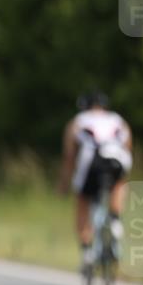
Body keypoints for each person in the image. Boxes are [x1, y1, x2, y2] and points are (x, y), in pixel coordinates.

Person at [58, 91, 133, 274]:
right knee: (119, 183)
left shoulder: (78, 121)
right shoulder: (118, 120)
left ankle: (86, 252)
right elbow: (128, 147)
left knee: (83, 201)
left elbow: (69, 156)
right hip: (117, 158)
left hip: (91, 161)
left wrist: (64, 184)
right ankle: (115, 220)